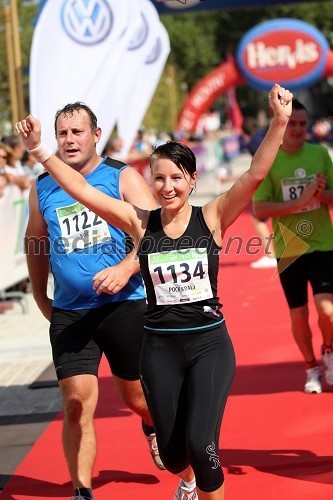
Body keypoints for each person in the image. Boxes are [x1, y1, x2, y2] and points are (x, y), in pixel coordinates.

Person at [16, 83, 292, 500]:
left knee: (202, 447)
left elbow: (254, 172)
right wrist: (39, 150)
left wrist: (279, 122)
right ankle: (159, 476)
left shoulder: (213, 216)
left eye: (176, 179)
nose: (167, 187)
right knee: (173, 450)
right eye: (159, 178)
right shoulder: (140, 221)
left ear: (192, 180)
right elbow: (80, 191)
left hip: (204, 342)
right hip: (159, 347)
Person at [21, 102, 163, 500]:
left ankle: (152, 424)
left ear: (95, 135)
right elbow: (36, 245)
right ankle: (81, 492)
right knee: (76, 404)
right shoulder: (43, 185)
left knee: (136, 398)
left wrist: (126, 269)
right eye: (62, 134)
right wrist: (39, 295)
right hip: (71, 312)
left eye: (77, 132)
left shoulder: (121, 177)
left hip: (124, 305)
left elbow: (152, 236)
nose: (69, 141)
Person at [253, 99, 333, 394]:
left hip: (324, 243)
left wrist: (321, 196)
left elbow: (332, 196)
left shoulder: (319, 153)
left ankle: (328, 350)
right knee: (298, 315)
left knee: (328, 311)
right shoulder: (270, 160)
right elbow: (259, 208)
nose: (299, 129)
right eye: (293, 123)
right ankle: (311, 367)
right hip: (291, 248)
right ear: (282, 124)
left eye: (303, 123)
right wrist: (299, 202)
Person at [241, 117, 276, 269]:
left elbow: (263, 165)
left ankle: (271, 255)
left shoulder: (253, 144)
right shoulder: (263, 135)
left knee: (258, 219)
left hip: (270, 183)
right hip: (279, 177)